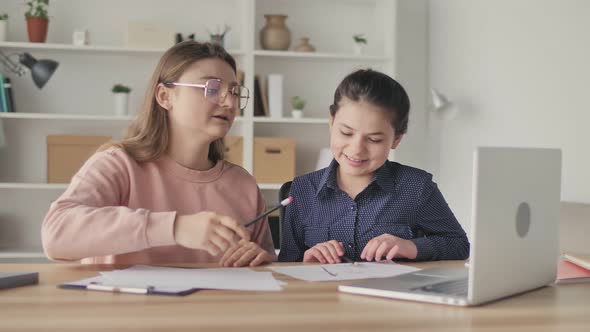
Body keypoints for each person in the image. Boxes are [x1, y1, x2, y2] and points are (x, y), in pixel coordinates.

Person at [42, 41, 275, 267]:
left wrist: (257, 259)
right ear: (165, 96)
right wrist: (175, 228)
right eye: (212, 89)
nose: (229, 102)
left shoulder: (243, 184)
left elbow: (265, 264)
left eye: (234, 91)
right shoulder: (118, 164)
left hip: (214, 306)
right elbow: (56, 234)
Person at [278, 69, 469, 264]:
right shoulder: (302, 189)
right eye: (346, 132)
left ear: (396, 139)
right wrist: (305, 261)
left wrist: (411, 247)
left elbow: (458, 244)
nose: (357, 149)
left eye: (374, 139)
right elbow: (287, 264)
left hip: (391, 293)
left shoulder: (417, 187)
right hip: (324, 294)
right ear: (331, 121)